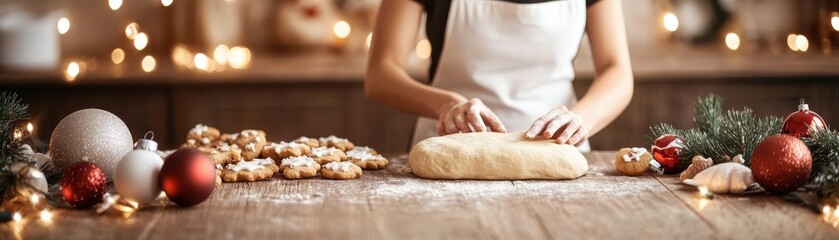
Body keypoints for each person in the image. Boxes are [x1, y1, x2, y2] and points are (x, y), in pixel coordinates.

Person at [365, 0, 633, 151]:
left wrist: (581, 119)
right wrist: (445, 104)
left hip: (556, 149)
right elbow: (381, 74)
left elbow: (616, 70)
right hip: (450, 148)